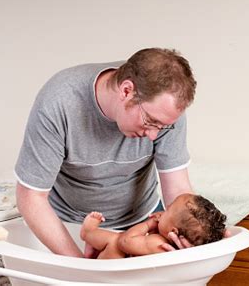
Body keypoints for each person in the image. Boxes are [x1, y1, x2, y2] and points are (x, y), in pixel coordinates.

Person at [15, 48, 197, 257]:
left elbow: (177, 188)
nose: (154, 136)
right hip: (71, 225)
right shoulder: (60, 101)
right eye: (151, 122)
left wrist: (199, 233)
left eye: (162, 127)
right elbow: (31, 197)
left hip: (143, 221)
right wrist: (80, 268)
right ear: (127, 91)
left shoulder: (166, 110)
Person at [80, 193, 227, 259]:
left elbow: (125, 241)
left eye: (167, 210)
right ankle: (94, 253)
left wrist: (148, 224)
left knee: (114, 241)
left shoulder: (158, 244)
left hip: (109, 272)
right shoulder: (169, 246)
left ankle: (88, 233)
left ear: (173, 231)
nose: (163, 211)